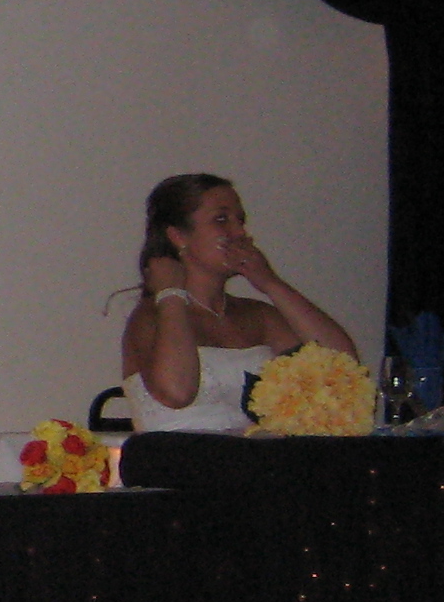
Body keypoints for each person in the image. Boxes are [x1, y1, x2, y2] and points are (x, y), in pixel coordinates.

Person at [119, 175, 356, 433]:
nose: (240, 233)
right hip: (179, 454)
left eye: (240, 221)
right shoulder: (152, 316)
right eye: (221, 220)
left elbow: (342, 365)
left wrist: (270, 283)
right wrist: (171, 293)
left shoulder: (258, 315)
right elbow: (176, 392)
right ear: (178, 236)